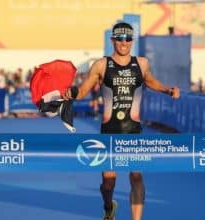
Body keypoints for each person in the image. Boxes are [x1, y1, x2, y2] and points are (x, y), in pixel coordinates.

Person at [63, 22, 180, 220]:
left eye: (127, 39)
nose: (123, 42)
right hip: (109, 132)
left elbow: (150, 81)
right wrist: (72, 92)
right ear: (113, 40)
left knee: (136, 175)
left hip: (133, 130)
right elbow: (83, 91)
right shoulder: (101, 65)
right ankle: (109, 207)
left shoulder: (141, 63)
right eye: (119, 39)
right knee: (109, 182)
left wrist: (168, 90)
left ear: (132, 41)